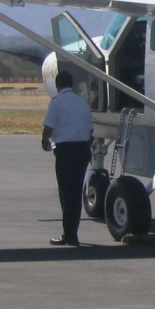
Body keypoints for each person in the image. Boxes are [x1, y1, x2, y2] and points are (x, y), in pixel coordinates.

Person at [41, 71, 94, 247]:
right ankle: (72, 232)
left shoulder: (57, 102)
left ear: (58, 85)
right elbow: (91, 129)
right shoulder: (82, 103)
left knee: (66, 192)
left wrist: (45, 141)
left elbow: (49, 126)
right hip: (83, 149)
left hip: (66, 151)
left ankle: (69, 234)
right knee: (76, 192)